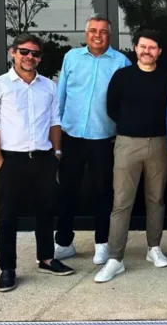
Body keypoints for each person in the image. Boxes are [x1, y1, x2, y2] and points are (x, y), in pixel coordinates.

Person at [0, 34, 75, 292]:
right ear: (13, 52)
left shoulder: (48, 86)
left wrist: (57, 153)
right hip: (11, 160)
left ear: (40, 58)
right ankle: (7, 269)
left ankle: (46, 258)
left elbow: (55, 121)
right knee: (7, 216)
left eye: (35, 53)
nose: (29, 57)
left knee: (46, 211)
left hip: (43, 159)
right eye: (24, 51)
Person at [95, 30, 167, 283]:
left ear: (159, 51)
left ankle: (154, 248)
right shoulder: (122, 76)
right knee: (121, 202)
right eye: (143, 46)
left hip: (159, 143)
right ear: (136, 48)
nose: (147, 51)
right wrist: (131, 126)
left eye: (152, 47)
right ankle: (115, 258)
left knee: (156, 199)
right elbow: (112, 107)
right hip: (127, 143)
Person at [54, 13, 131, 265]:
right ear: (86, 33)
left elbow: (126, 101)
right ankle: (64, 242)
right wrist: (57, 135)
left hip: (104, 139)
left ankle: (102, 243)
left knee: (103, 192)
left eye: (103, 31)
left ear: (110, 35)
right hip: (72, 136)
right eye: (93, 31)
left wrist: (121, 131)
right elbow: (61, 97)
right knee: (67, 191)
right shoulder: (71, 57)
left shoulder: (121, 62)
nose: (98, 35)